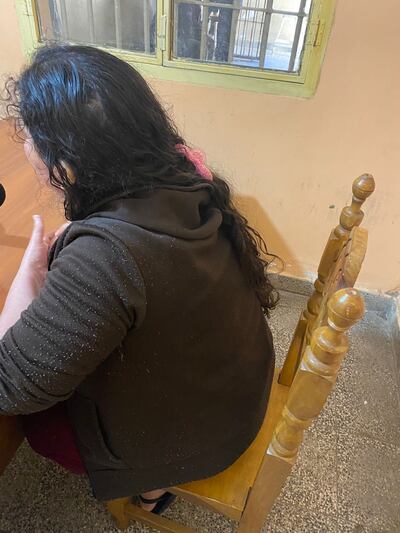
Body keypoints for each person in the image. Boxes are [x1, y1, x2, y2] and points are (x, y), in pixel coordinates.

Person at [0, 44, 277, 514]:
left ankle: (153, 485)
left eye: (28, 135)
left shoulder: (105, 256)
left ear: (66, 164)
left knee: (38, 425)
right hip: (239, 396)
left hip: (200, 441)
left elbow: (11, 385)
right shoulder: (182, 176)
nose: (24, 146)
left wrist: (27, 275)